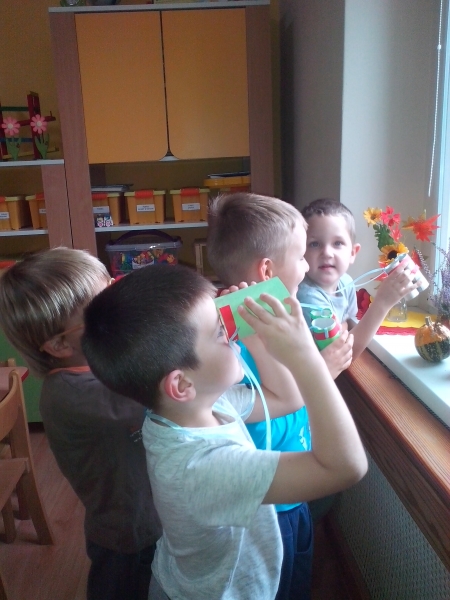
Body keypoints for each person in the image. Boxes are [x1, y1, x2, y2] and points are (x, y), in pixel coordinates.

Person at [81, 262, 368, 600]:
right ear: (181, 384)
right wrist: (306, 357)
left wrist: (254, 336)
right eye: (220, 332)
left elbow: (286, 399)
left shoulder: (198, 407)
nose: (231, 333)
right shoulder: (205, 468)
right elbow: (346, 467)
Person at [207, 191, 354, 600]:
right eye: (302, 256)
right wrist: (325, 370)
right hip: (270, 503)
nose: (308, 265)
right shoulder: (239, 339)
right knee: (280, 584)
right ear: (268, 269)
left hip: (291, 492)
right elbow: (283, 399)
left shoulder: (280, 317)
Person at [0, 248, 162, 600]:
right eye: (104, 309)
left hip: (148, 516)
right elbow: (165, 392)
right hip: (129, 532)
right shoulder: (73, 393)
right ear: (60, 344)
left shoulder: (98, 362)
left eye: (113, 290)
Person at [298, 198, 419, 360]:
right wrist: (382, 303)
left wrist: (343, 328)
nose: (326, 252)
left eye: (337, 243)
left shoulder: (346, 282)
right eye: (314, 244)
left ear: (353, 253)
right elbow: (340, 358)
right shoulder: (307, 297)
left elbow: (348, 324)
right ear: (301, 252)